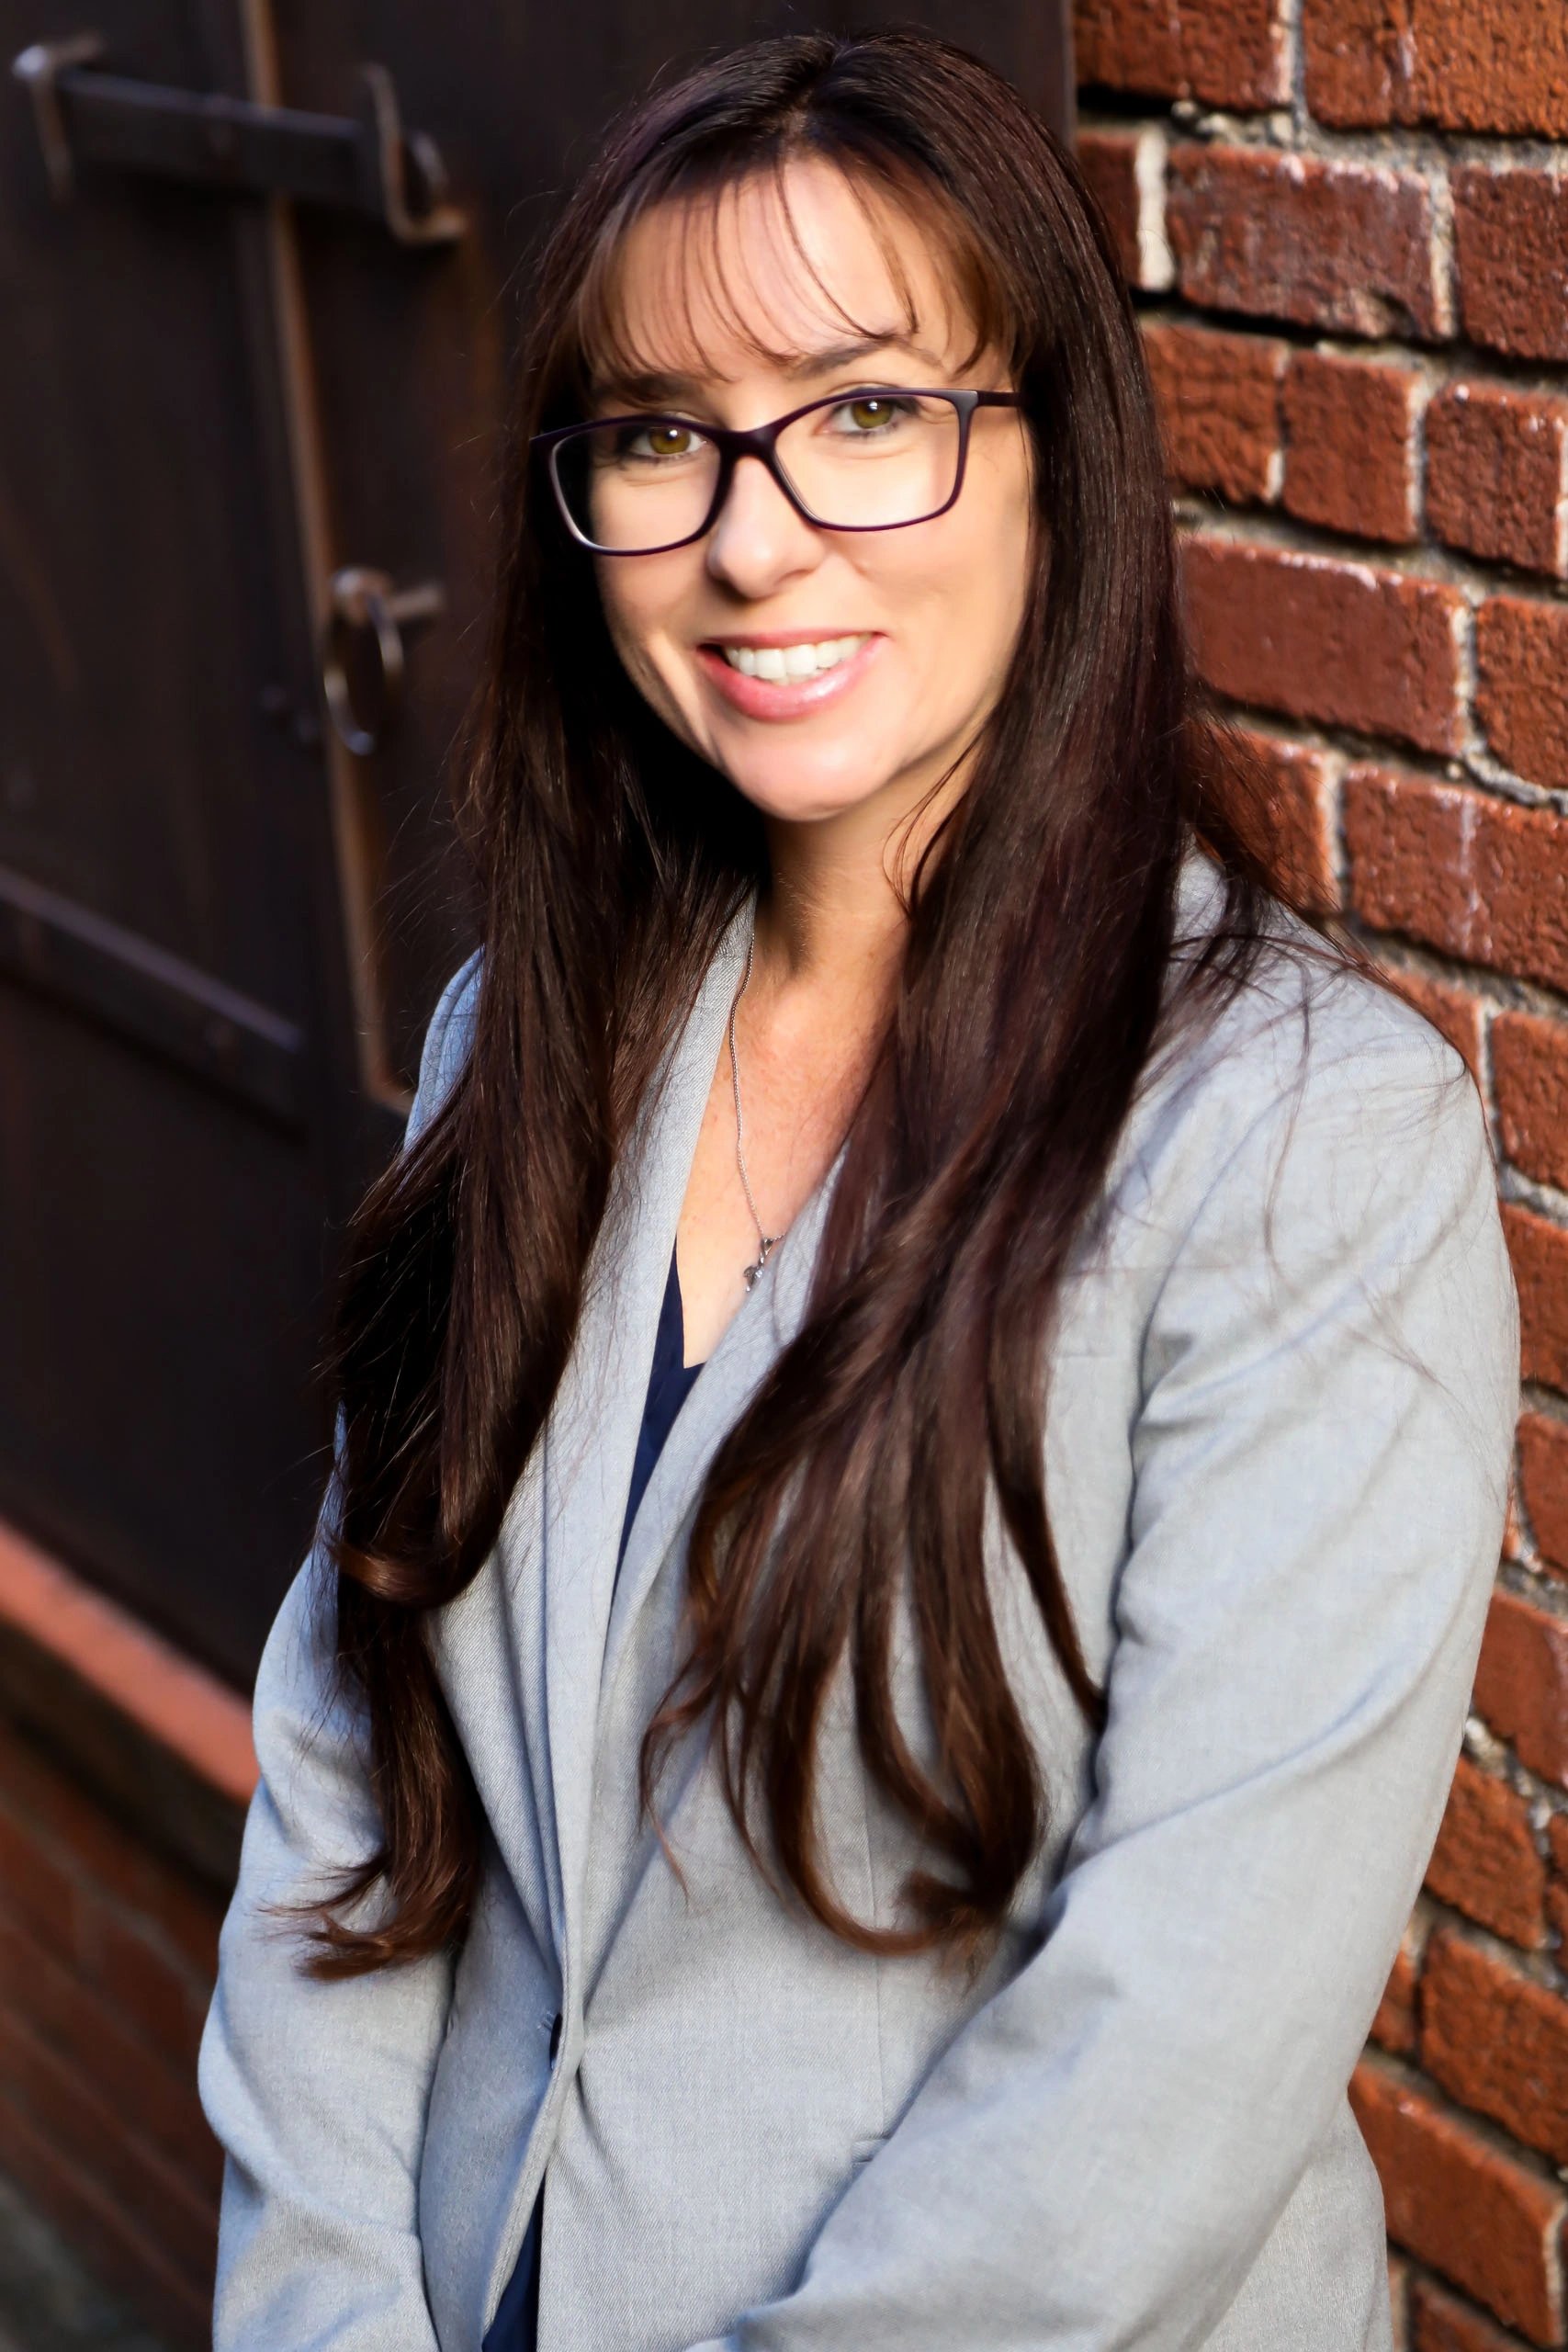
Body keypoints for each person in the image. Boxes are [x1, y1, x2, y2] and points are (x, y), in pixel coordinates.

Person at [198, 29, 1517, 2352]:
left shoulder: (1303, 1139)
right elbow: (351, 1768)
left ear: (1049, 458)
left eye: (867, 411)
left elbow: (1165, 2058)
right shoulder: (525, 1030)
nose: (748, 531)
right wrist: (320, 2315)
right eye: (654, 435)